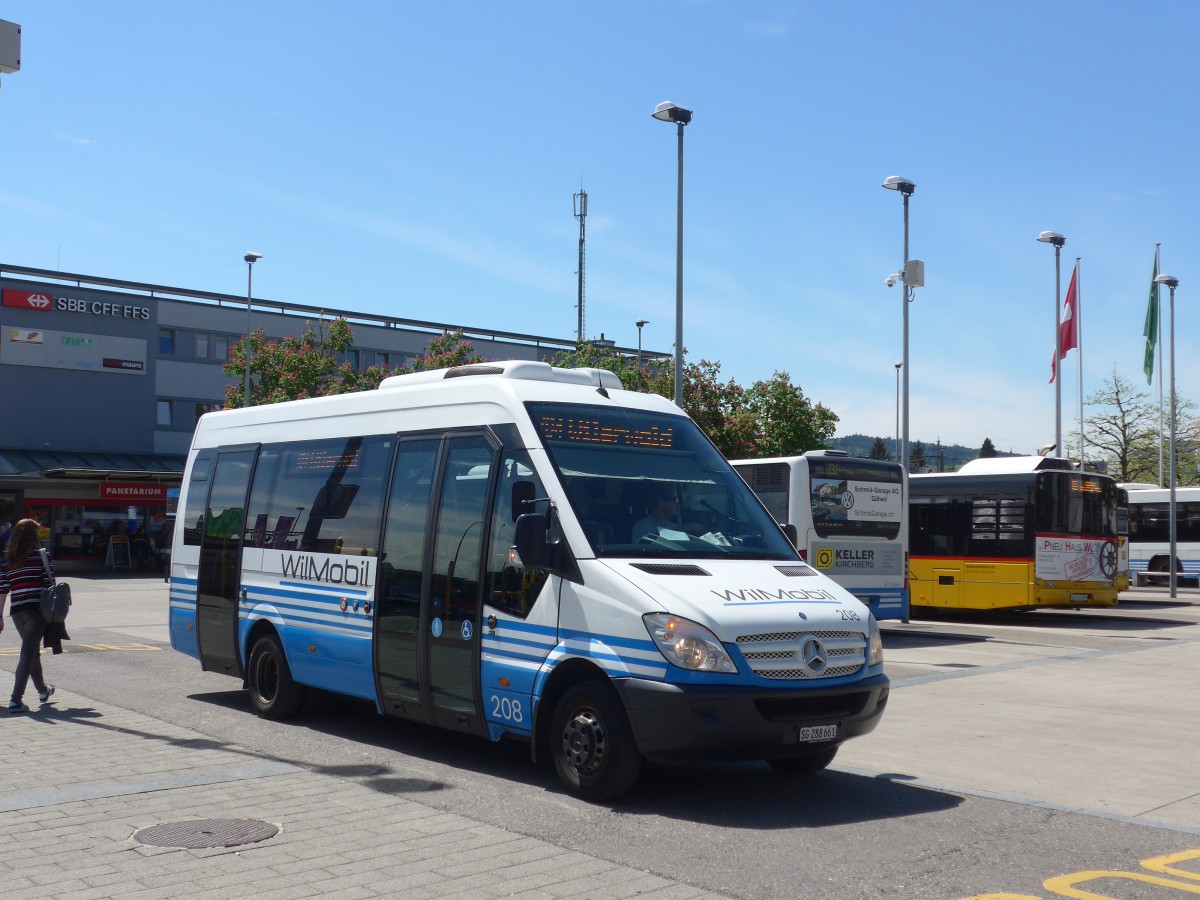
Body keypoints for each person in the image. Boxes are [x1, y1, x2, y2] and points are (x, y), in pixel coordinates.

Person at [0, 519, 56, 712]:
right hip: (35, 612)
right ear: (34, 535)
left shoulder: (8, 560)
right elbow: (50, 583)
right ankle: (16, 700)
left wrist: (0, 616)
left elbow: (3, 589)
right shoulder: (42, 556)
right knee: (27, 654)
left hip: (17, 613)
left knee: (32, 652)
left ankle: (43, 690)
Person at [632, 486, 696, 542]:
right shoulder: (641, 526)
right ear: (661, 502)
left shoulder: (674, 526)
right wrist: (681, 529)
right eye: (675, 500)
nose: (678, 505)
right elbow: (650, 545)